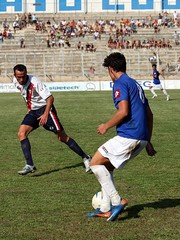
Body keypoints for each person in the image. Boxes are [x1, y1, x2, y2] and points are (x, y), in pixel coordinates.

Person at [86, 52, 157, 221]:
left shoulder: (120, 83)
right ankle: (105, 208)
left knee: (94, 163)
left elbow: (123, 111)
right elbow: (150, 114)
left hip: (129, 135)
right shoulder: (136, 84)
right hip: (141, 136)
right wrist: (148, 141)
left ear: (111, 69)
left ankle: (117, 201)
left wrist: (106, 126)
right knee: (107, 167)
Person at [13, 64, 92, 175]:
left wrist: (45, 114)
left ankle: (86, 157)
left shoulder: (35, 82)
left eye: (23, 76)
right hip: (33, 111)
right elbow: (24, 94)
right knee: (21, 133)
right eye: (18, 77)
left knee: (62, 137)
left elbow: (50, 98)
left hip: (46, 109)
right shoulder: (15, 82)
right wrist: (29, 108)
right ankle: (30, 165)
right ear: (15, 75)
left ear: (26, 73)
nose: (21, 79)